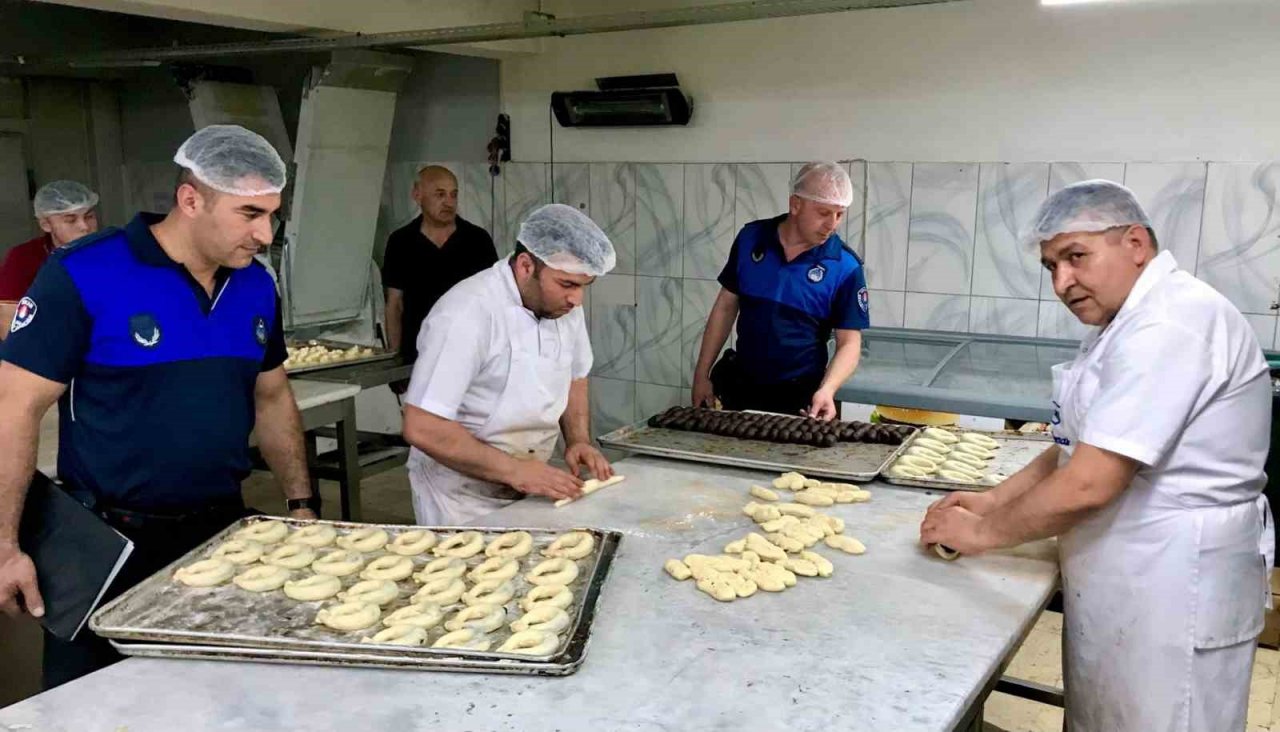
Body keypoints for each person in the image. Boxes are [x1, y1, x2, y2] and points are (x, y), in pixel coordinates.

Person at [920, 180, 1273, 731]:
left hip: (1175, 578)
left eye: (1075, 257)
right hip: (1131, 572)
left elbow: (1090, 482)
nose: (1062, 282)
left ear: (1135, 243)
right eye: (1051, 267)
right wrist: (991, 501)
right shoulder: (1124, 321)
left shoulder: (1169, 323)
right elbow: (1077, 445)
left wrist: (979, 534)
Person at [0, 124, 318, 689]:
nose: (265, 234)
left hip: (222, 534)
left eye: (272, 214)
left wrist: (300, 504)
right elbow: (14, 408)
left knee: (219, 695)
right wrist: (4, 545)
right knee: (92, 704)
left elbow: (271, 396)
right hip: (108, 543)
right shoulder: (85, 273)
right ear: (191, 200)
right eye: (250, 214)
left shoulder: (255, 286)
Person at [401, 203, 615, 525]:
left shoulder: (564, 308)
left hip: (527, 488)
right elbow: (422, 426)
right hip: (460, 498)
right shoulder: (466, 313)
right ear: (527, 266)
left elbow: (575, 376)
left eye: (584, 286)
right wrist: (516, 471)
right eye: (567, 284)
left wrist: (578, 440)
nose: (577, 299)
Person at [691, 161, 869, 420]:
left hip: (801, 397)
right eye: (823, 212)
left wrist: (828, 390)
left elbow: (850, 343)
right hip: (741, 389)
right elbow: (725, 307)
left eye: (839, 214)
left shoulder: (845, 266)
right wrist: (701, 374)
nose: (832, 224)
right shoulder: (751, 239)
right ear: (795, 204)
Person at [382, 165, 498, 368]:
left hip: (470, 353)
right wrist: (396, 358)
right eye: (440, 195)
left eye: (454, 195)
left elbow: (495, 300)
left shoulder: (477, 240)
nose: (449, 202)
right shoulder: (401, 241)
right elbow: (394, 304)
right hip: (417, 354)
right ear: (417, 196)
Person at [0, 180, 100, 338]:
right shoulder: (24, 257)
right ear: (46, 224)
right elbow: (8, 322)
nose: (85, 227)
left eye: (89, 217)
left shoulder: (113, 252)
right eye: (71, 220)